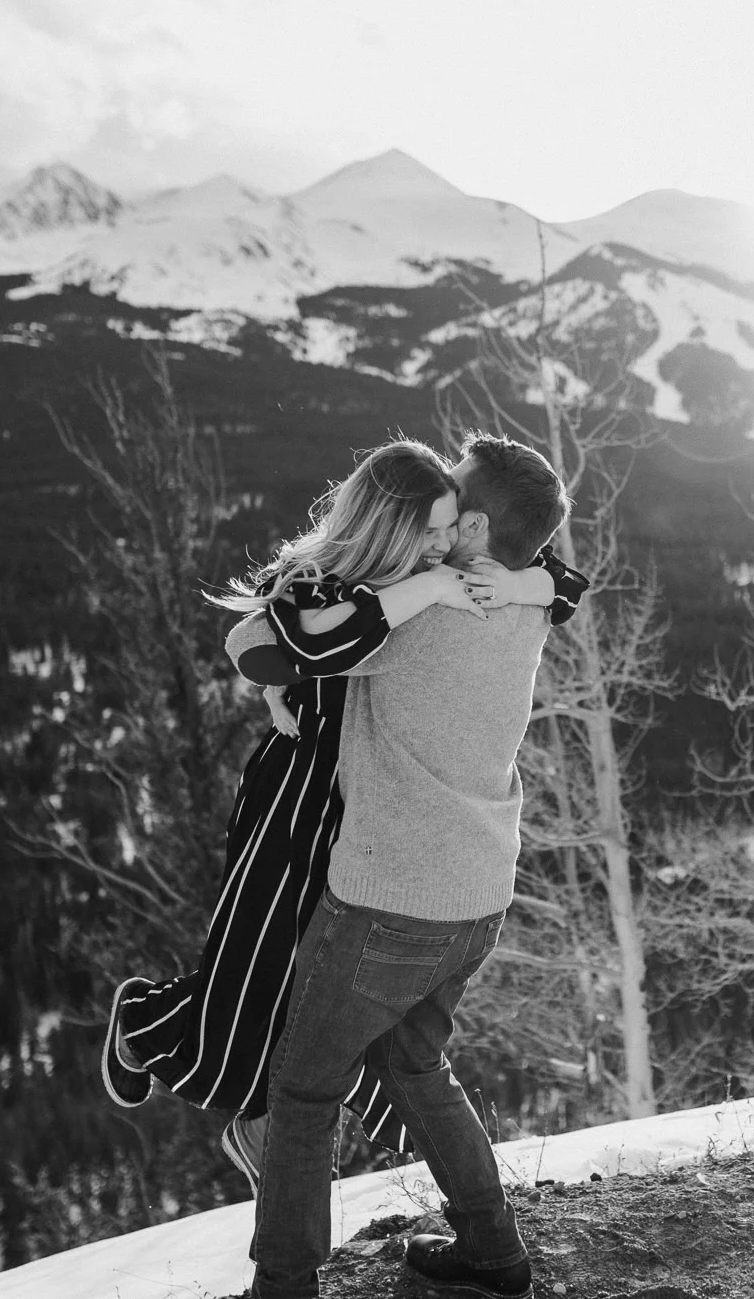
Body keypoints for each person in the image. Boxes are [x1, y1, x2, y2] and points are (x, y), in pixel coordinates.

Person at [99, 439, 586, 1168]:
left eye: (453, 515)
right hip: (297, 793)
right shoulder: (339, 580)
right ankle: (147, 1029)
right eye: (434, 520)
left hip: (368, 805)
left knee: (330, 993)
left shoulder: (466, 574)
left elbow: (563, 579)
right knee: (259, 978)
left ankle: (305, 1139)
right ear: (393, 521)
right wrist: (416, 596)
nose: (445, 534)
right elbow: (258, 645)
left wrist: (527, 585)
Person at [241, 432, 575, 1299]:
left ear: (475, 527)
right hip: (479, 895)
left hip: (388, 899)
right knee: (415, 1064)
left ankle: (283, 1286)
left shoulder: (414, 613)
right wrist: (537, 579)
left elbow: (264, 642)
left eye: (450, 502)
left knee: (303, 1089)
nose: (435, 513)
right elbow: (558, 575)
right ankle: (494, 1252)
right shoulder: (526, 602)